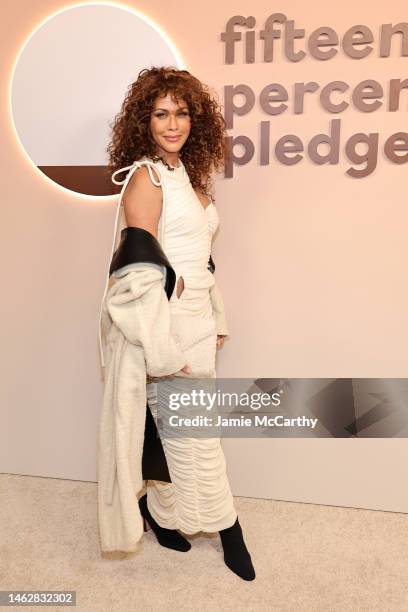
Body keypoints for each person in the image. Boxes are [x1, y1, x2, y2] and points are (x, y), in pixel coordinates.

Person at [100, 66, 255, 581]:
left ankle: (163, 517)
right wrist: (177, 295)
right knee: (197, 436)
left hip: (198, 324)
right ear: (143, 122)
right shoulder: (145, 176)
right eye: (161, 113)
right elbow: (137, 269)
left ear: (196, 119)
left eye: (182, 113)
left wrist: (215, 312)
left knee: (174, 433)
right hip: (167, 329)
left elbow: (202, 258)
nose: (173, 124)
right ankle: (231, 531)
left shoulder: (185, 171)